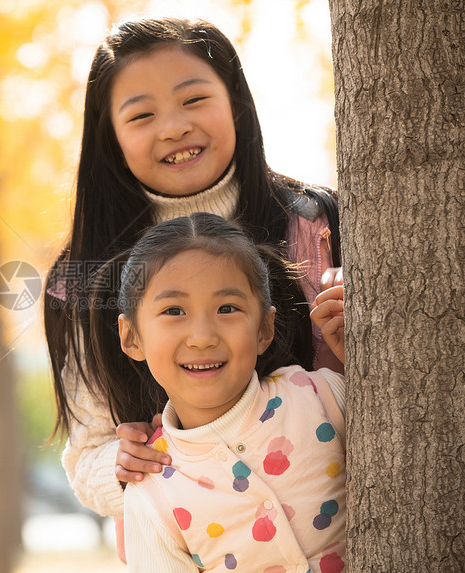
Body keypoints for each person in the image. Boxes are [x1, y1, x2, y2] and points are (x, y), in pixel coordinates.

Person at [44, 16, 343, 523]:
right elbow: (87, 451)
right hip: (189, 545)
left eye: (194, 100)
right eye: (140, 116)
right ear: (110, 138)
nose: (174, 127)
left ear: (236, 104)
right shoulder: (80, 282)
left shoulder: (316, 225)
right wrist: (120, 467)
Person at [94, 212, 346, 571]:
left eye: (227, 308)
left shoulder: (321, 398)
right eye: (174, 310)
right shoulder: (153, 493)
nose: (203, 337)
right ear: (132, 338)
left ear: (264, 328)